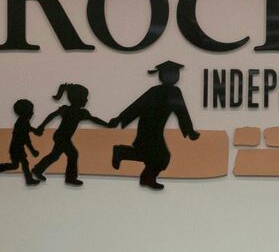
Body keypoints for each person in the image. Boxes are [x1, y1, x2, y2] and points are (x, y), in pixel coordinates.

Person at [109, 60, 200, 190]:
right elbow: (182, 112)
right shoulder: (174, 92)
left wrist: (119, 118)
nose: (175, 77)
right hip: (152, 127)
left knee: (152, 154)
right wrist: (189, 131)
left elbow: (137, 106)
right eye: (173, 74)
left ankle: (142, 173)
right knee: (161, 157)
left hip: (149, 126)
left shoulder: (157, 90)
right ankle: (124, 155)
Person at [32, 83, 111, 186]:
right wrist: (41, 126)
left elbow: (94, 119)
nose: (86, 100)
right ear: (79, 99)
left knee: (55, 155)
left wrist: (107, 124)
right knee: (72, 154)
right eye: (85, 98)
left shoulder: (80, 112)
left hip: (62, 137)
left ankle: (38, 169)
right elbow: (51, 116)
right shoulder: (69, 110)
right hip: (61, 136)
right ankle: (70, 178)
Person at [0, 99, 41, 185]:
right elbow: (26, 139)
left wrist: (35, 131)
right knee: (24, 163)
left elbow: (29, 128)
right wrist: (33, 150)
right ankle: (29, 179)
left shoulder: (23, 122)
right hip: (16, 148)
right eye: (31, 111)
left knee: (16, 165)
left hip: (16, 147)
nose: (33, 113)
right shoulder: (22, 123)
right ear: (25, 113)